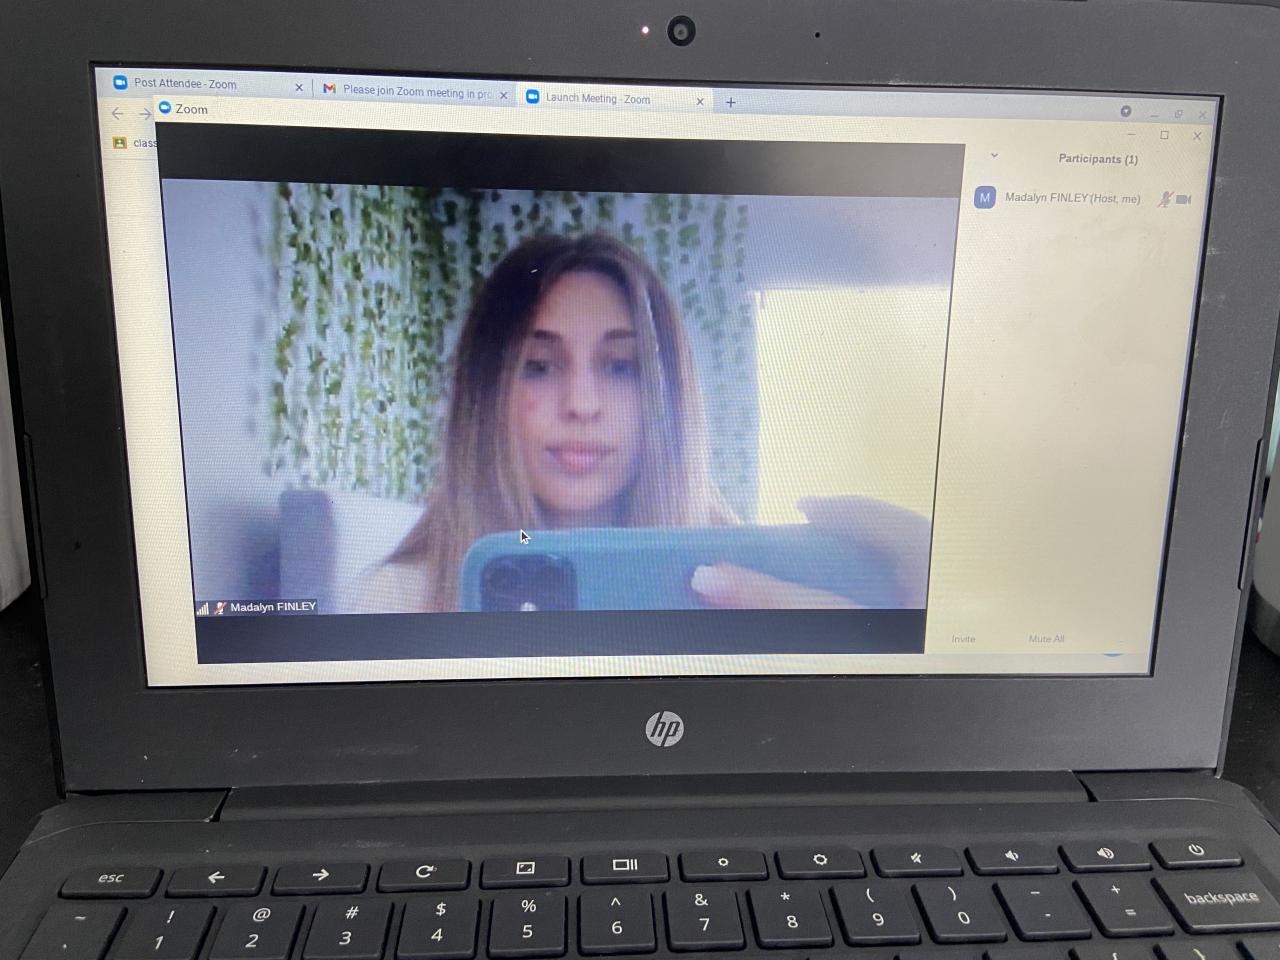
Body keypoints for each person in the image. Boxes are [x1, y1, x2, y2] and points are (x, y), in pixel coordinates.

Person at [351, 232, 928, 613]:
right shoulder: (397, 599)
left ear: (665, 398)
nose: (582, 405)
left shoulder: (744, 584)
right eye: (539, 366)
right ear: (486, 397)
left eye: (622, 367)